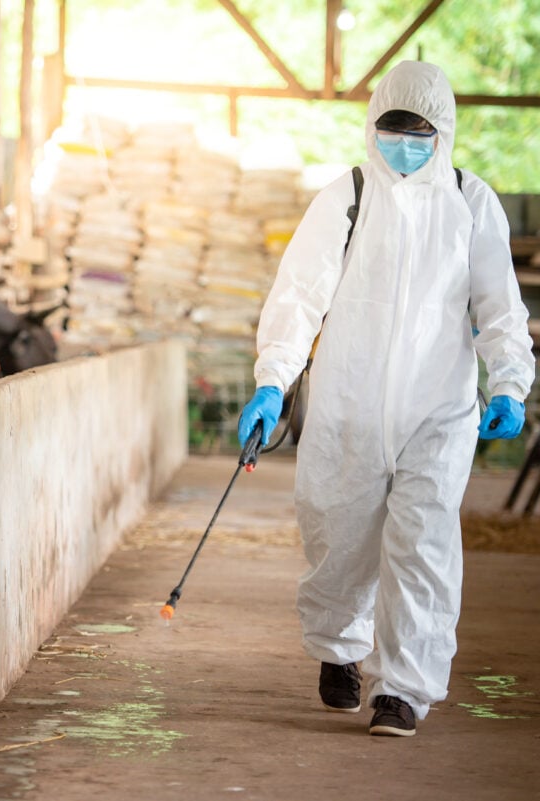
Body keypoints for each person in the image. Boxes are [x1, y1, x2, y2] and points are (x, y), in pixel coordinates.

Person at [237, 61, 534, 738]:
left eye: (418, 130)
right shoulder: (346, 195)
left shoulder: (470, 200)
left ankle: (403, 689)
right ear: (373, 127)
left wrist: (510, 380)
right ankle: (341, 648)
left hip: (438, 409)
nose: (404, 141)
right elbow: (299, 295)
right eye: (393, 128)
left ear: (443, 132)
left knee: (423, 543)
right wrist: (272, 379)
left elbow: (498, 305)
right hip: (349, 399)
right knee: (338, 531)